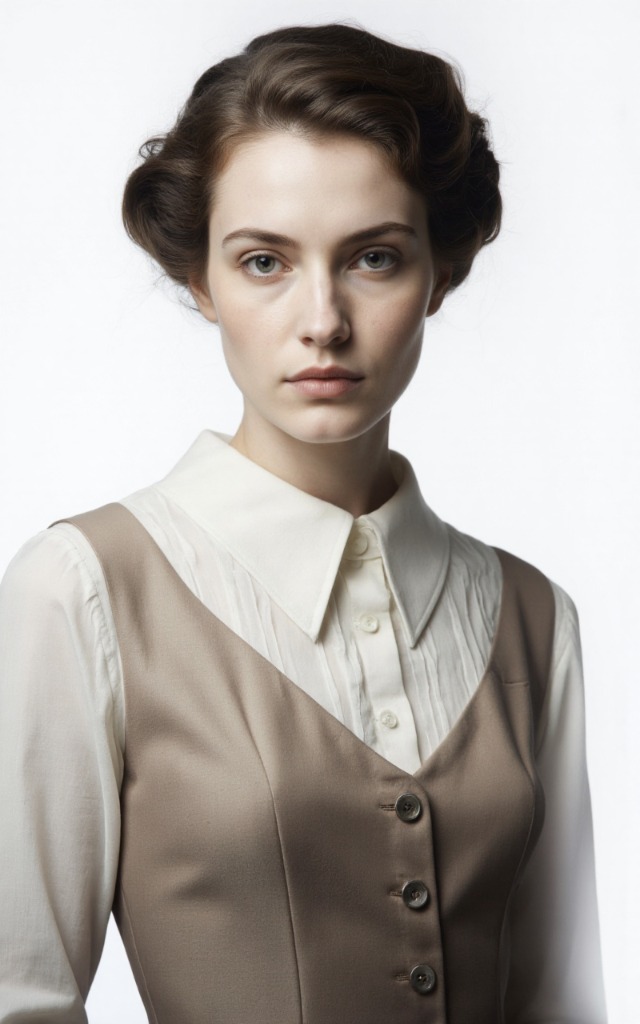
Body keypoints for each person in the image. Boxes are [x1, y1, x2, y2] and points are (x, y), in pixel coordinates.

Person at [0, 23, 607, 1024]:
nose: (320, 318)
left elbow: (563, 1001)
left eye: (373, 257)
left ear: (438, 276)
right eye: (263, 262)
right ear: (201, 280)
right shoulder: (82, 591)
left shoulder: (533, 618)